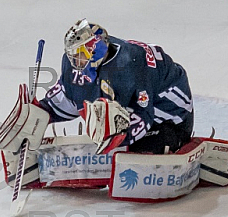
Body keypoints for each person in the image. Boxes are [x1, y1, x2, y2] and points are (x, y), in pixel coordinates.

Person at [41, 18, 193, 154]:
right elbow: (69, 99)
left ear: (95, 51)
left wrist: (120, 137)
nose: (75, 60)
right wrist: (40, 114)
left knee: (140, 150)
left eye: (80, 53)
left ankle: (174, 141)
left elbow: (143, 114)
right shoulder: (80, 66)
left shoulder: (130, 62)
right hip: (136, 108)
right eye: (72, 54)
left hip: (170, 116)